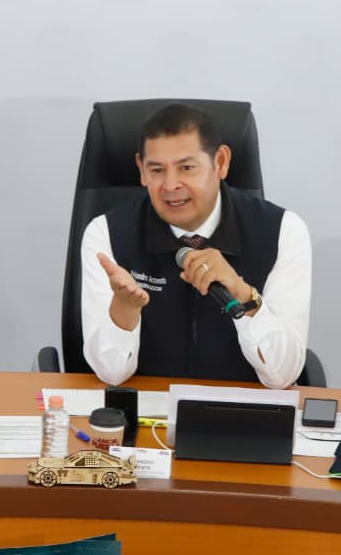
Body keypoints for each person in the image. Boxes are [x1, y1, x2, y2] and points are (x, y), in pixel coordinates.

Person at [79, 102, 311, 388]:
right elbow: (110, 375)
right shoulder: (107, 234)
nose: (170, 185)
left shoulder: (282, 231)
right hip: (146, 408)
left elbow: (282, 376)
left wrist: (242, 294)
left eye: (187, 168)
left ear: (221, 162)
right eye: (156, 170)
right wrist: (124, 309)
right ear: (141, 170)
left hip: (241, 408)